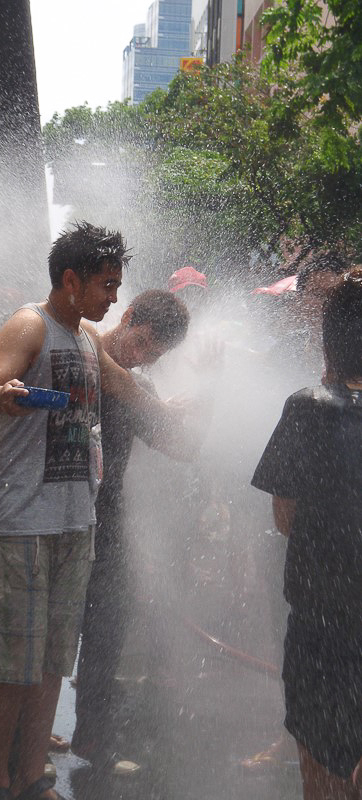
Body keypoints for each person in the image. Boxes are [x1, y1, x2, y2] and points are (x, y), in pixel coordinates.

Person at [0, 222, 189, 800]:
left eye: (117, 285)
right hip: (23, 520)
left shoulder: (88, 341)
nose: (113, 296)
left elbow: (130, 393)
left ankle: (31, 775)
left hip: (76, 520)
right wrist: (0, 396)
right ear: (71, 281)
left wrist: (181, 412)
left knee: (51, 663)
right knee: (11, 663)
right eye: (106, 284)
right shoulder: (30, 325)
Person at [251, 269, 362, 799]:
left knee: (319, 758)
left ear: (329, 338)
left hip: (323, 616)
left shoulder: (307, 407)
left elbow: (284, 517)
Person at [71, 289, 190, 771]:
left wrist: (207, 399)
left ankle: (91, 738)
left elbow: (182, 448)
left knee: (107, 629)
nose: (143, 357)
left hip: (109, 516)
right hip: (59, 512)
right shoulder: (77, 348)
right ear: (127, 316)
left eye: (155, 354)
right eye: (142, 343)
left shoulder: (139, 386)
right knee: (48, 631)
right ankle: (25, 745)